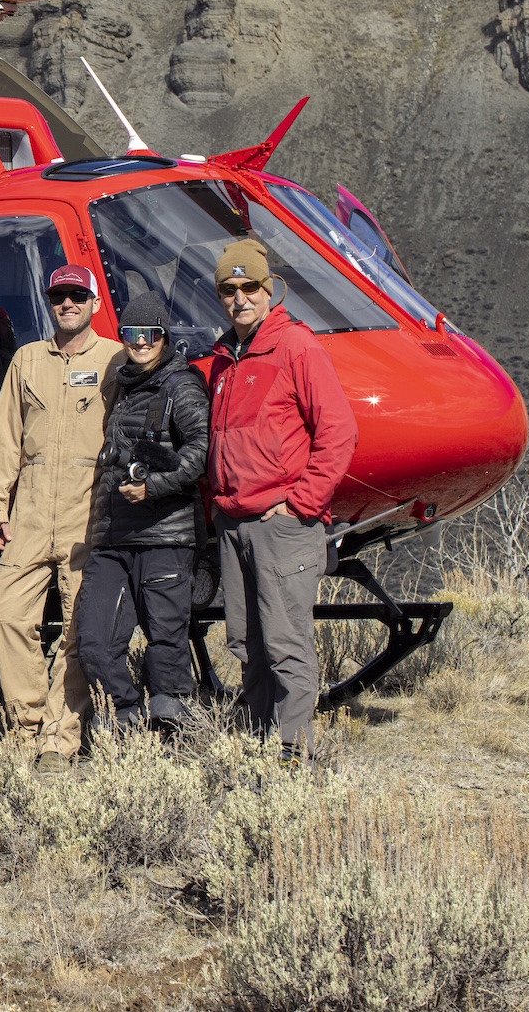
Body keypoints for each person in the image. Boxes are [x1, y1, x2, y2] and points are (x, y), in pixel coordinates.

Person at [203, 240, 359, 757]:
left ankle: (294, 754)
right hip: (234, 526)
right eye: (229, 289)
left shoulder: (296, 347)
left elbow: (339, 432)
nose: (240, 298)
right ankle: (260, 743)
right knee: (246, 642)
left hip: (282, 526)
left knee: (285, 642)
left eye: (250, 286)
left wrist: (300, 504)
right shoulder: (225, 359)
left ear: (269, 289)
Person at [0, 264, 121, 770]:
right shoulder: (27, 359)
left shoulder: (115, 359)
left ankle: (61, 738)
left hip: (88, 511)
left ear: (94, 302)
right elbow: (4, 439)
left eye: (77, 295)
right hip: (32, 510)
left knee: (80, 628)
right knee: (4, 615)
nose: (68, 304)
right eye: (59, 296)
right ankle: (28, 724)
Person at [77, 291, 210, 731]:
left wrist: (152, 487)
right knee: (94, 639)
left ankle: (172, 728)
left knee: (166, 639)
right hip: (113, 535)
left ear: (164, 336)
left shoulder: (180, 385)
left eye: (150, 333)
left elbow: (201, 451)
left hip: (165, 534)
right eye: (131, 333)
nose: (140, 342)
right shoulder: (122, 385)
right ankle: (125, 715)